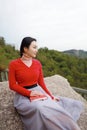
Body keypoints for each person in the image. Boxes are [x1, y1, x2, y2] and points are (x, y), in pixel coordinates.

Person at [8, 36, 83, 130]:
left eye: (37, 48)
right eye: (34, 47)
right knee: (39, 108)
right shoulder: (14, 64)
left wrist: (50, 96)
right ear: (25, 49)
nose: (37, 50)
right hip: (23, 96)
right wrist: (30, 93)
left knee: (55, 106)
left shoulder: (37, 63)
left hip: (39, 92)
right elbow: (12, 85)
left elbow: (41, 82)